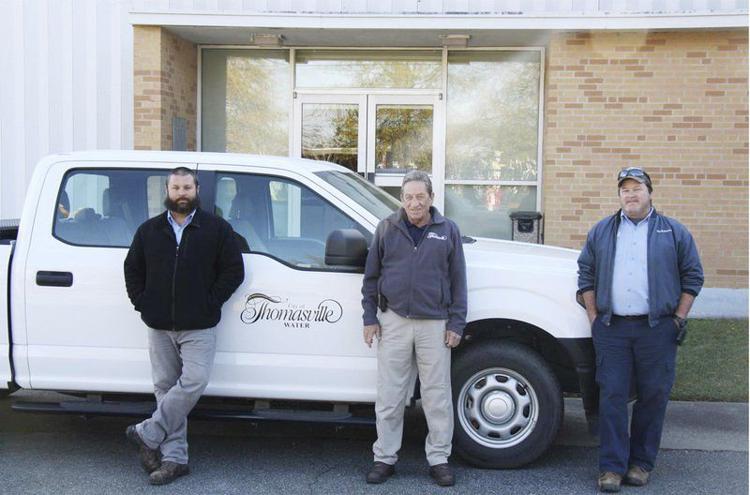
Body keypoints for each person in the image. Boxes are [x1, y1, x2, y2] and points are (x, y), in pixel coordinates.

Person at [577, 167, 703, 493]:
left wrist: (678, 318)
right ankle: (611, 467)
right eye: (625, 190)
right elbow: (586, 274)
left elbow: (693, 276)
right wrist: (593, 316)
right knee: (613, 397)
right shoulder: (602, 231)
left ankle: (641, 463)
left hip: (657, 329)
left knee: (653, 396)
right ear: (619, 195)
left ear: (650, 192)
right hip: (612, 328)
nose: (631, 195)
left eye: (637, 189)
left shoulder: (673, 232)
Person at [123, 167, 244, 485]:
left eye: (187, 187)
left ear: (197, 190)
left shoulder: (217, 229)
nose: (181, 192)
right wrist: (143, 303)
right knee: (165, 388)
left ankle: (147, 432)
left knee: (193, 382)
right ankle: (174, 459)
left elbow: (234, 270)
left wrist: (209, 302)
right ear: (167, 190)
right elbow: (132, 269)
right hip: (159, 324)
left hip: (199, 325)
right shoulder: (148, 231)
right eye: (176, 187)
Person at [361, 170, 467, 487]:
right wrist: (369, 317)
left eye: (420, 196)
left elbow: (459, 281)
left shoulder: (447, 231)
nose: (414, 203)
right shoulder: (386, 229)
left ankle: (439, 459)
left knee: (436, 397)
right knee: (390, 396)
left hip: (435, 324)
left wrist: (456, 322)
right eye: (408, 197)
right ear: (402, 199)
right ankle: (384, 457)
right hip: (393, 320)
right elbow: (371, 278)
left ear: (431, 198)